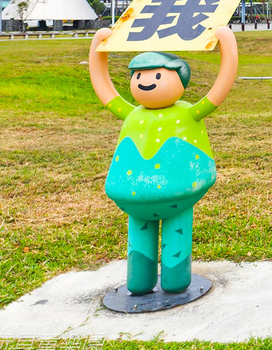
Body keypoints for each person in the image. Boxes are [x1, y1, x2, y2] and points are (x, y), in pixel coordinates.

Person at [89, 26, 238, 295]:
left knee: (175, 235)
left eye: (157, 75)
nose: (146, 81)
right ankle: (140, 281)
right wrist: (98, 47)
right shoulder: (134, 114)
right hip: (133, 195)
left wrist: (227, 43)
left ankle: (174, 280)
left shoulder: (185, 114)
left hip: (176, 193)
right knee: (140, 243)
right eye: (138, 75)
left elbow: (220, 88)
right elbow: (103, 86)